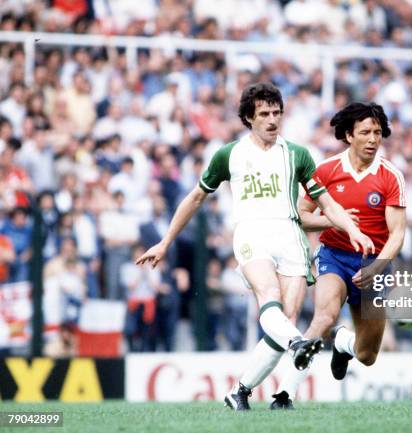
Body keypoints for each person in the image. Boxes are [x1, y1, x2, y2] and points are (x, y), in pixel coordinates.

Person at [136, 83, 374, 411]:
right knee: (269, 298)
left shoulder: (298, 154)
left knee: (286, 318)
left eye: (277, 113)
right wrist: (165, 242)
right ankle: (298, 343)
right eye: (264, 113)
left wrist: (351, 229)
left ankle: (240, 391)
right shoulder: (229, 154)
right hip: (251, 234)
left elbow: (327, 204)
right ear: (249, 118)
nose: (272, 119)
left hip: (290, 238)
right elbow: (195, 198)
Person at [272, 102, 406, 409]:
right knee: (324, 316)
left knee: (368, 355)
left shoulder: (390, 176)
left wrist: (378, 268)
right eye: (365, 133)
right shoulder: (326, 170)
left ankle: (343, 343)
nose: (373, 139)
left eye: (377, 133)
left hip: (374, 262)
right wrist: (334, 219)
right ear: (349, 135)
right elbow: (302, 215)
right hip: (334, 255)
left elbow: (397, 233)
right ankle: (285, 393)